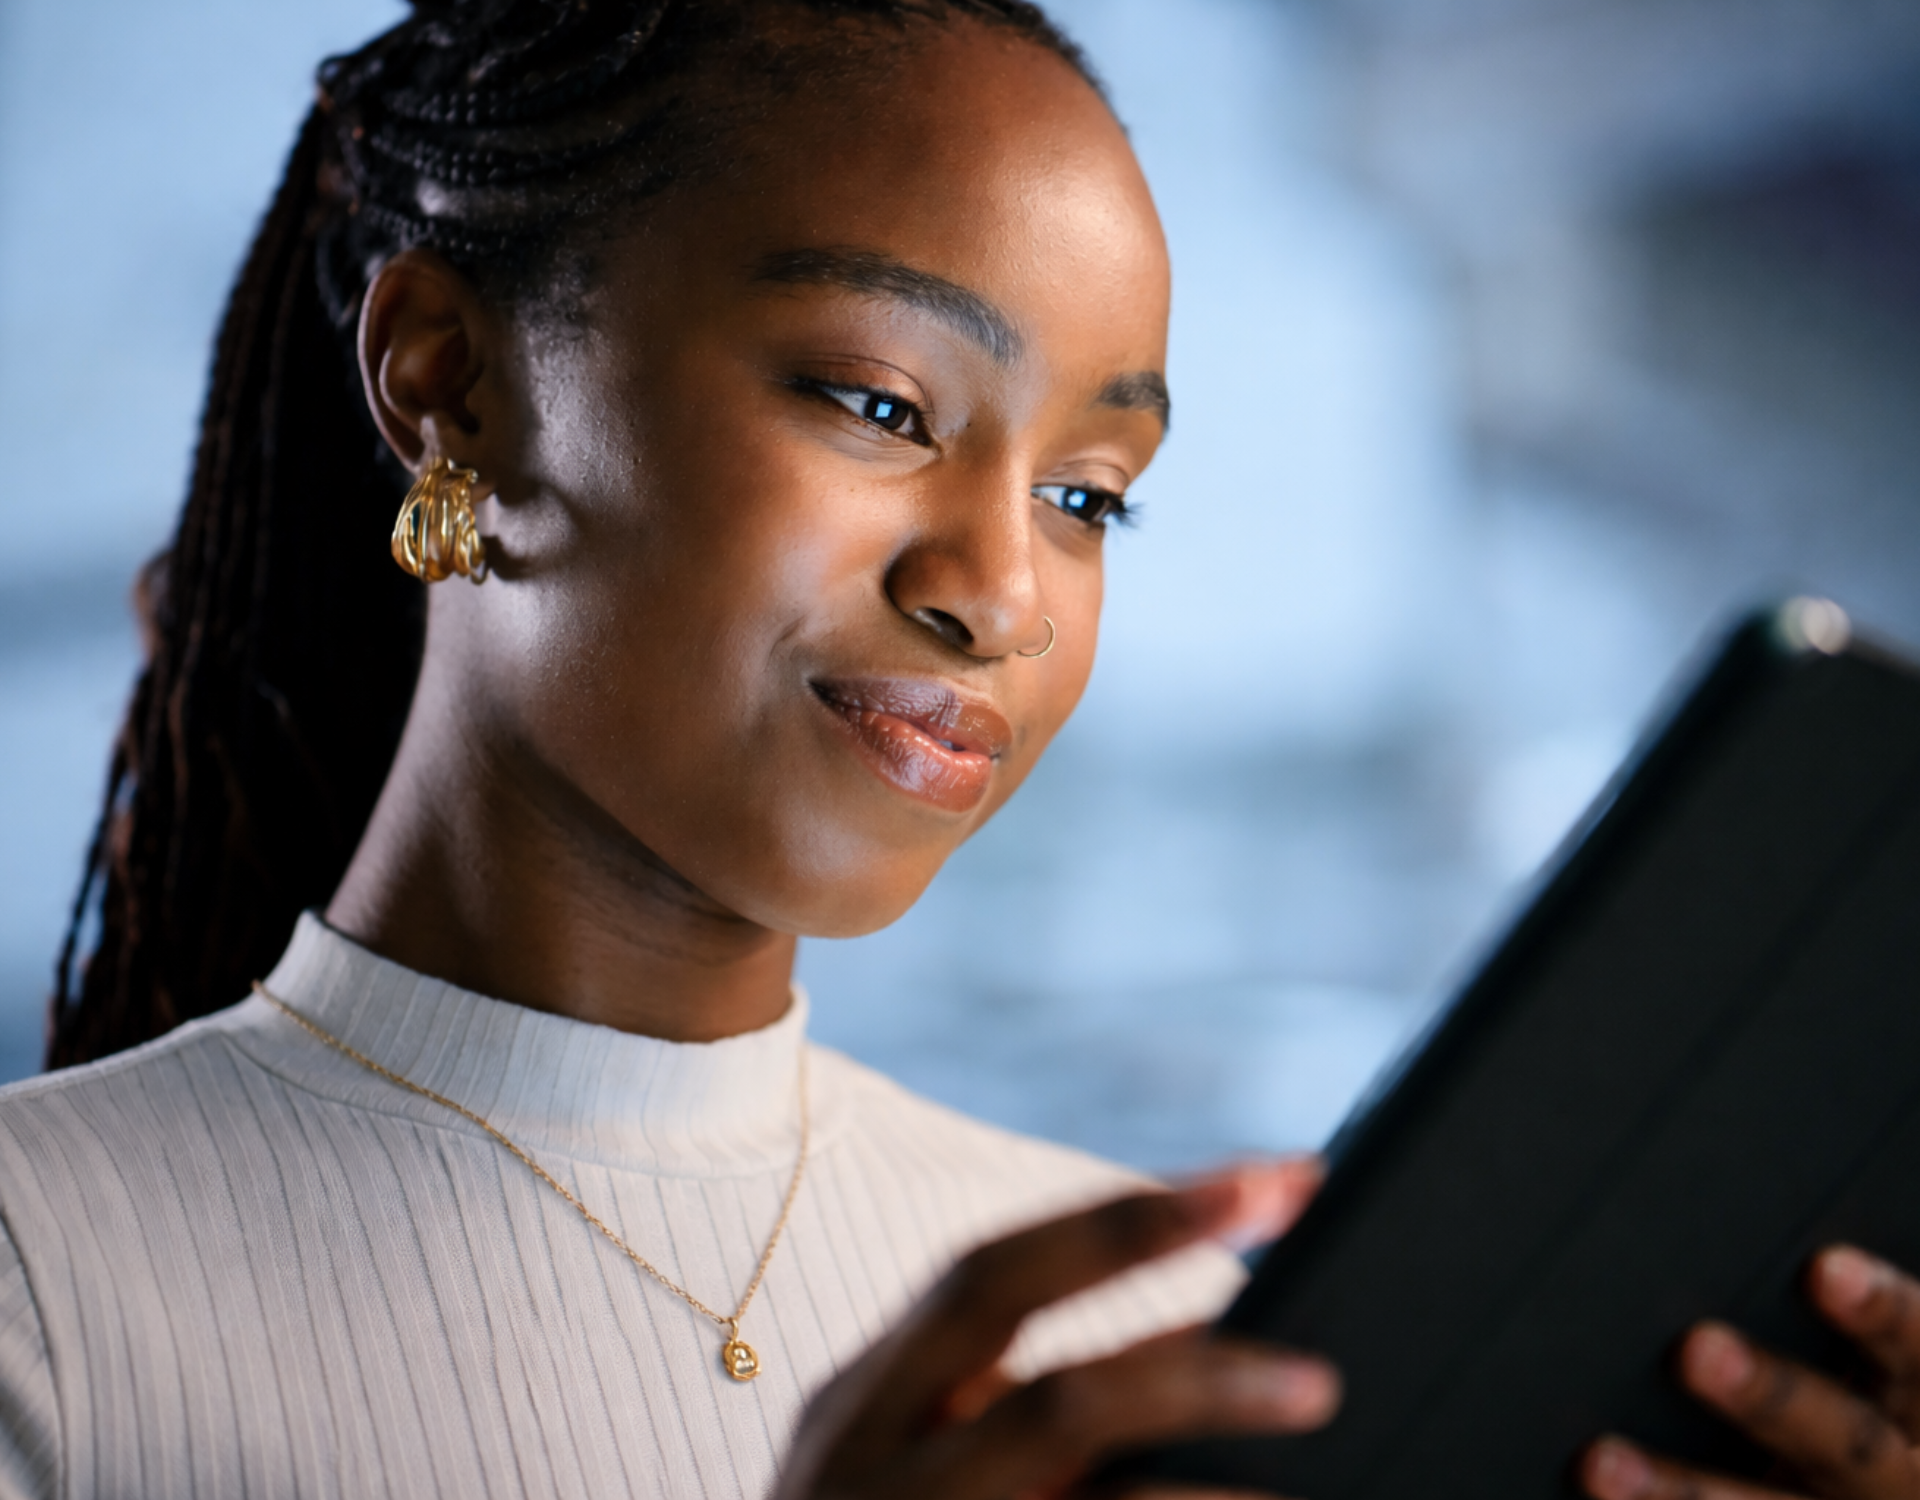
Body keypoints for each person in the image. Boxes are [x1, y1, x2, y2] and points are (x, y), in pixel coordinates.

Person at [9, 2, 1920, 1497]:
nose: (1003, 587)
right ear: (448, 386)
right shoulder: (41, 1291)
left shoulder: (1137, 1341)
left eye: (1095, 495)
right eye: (877, 403)